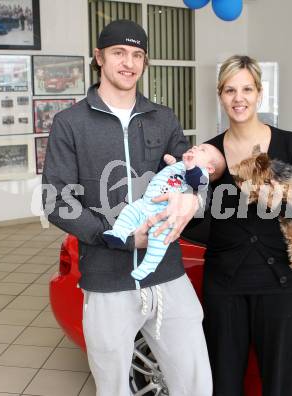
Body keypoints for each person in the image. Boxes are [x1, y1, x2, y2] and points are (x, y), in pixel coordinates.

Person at [42, 19, 212, 396]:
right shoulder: (70, 124)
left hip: (168, 273)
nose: (129, 63)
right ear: (99, 57)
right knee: (114, 388)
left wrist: (194, 195)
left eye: (137, 55)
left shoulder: (163, 117)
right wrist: (118, 238)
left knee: (197, 384)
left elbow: (194, 174)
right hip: (107, 281)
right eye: (119, 52)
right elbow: (56, 200)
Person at [201, 55, 292, 396]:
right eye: (230, 90)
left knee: (279, 387)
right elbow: (197, 214)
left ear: (260, 93)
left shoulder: (291, 144)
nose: (238, 98)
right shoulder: (209, 153)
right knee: (224, 385)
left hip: (282, 287)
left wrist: (283, 204)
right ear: (220, 95)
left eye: (247, 88)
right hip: (224, 286)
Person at [103, 143, 225, 281]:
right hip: (146, 202)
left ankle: (149, 265)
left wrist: (190, 167)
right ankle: (118, 234)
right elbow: (161, 175)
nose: (196, 148)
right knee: (129, 211)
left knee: (158, 236)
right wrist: (167, 163)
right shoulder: (180, 165)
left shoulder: (201, 174)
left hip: (164, 211)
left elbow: (198, 184)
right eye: (196, 146)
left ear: (209, 168)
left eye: (202, 150)